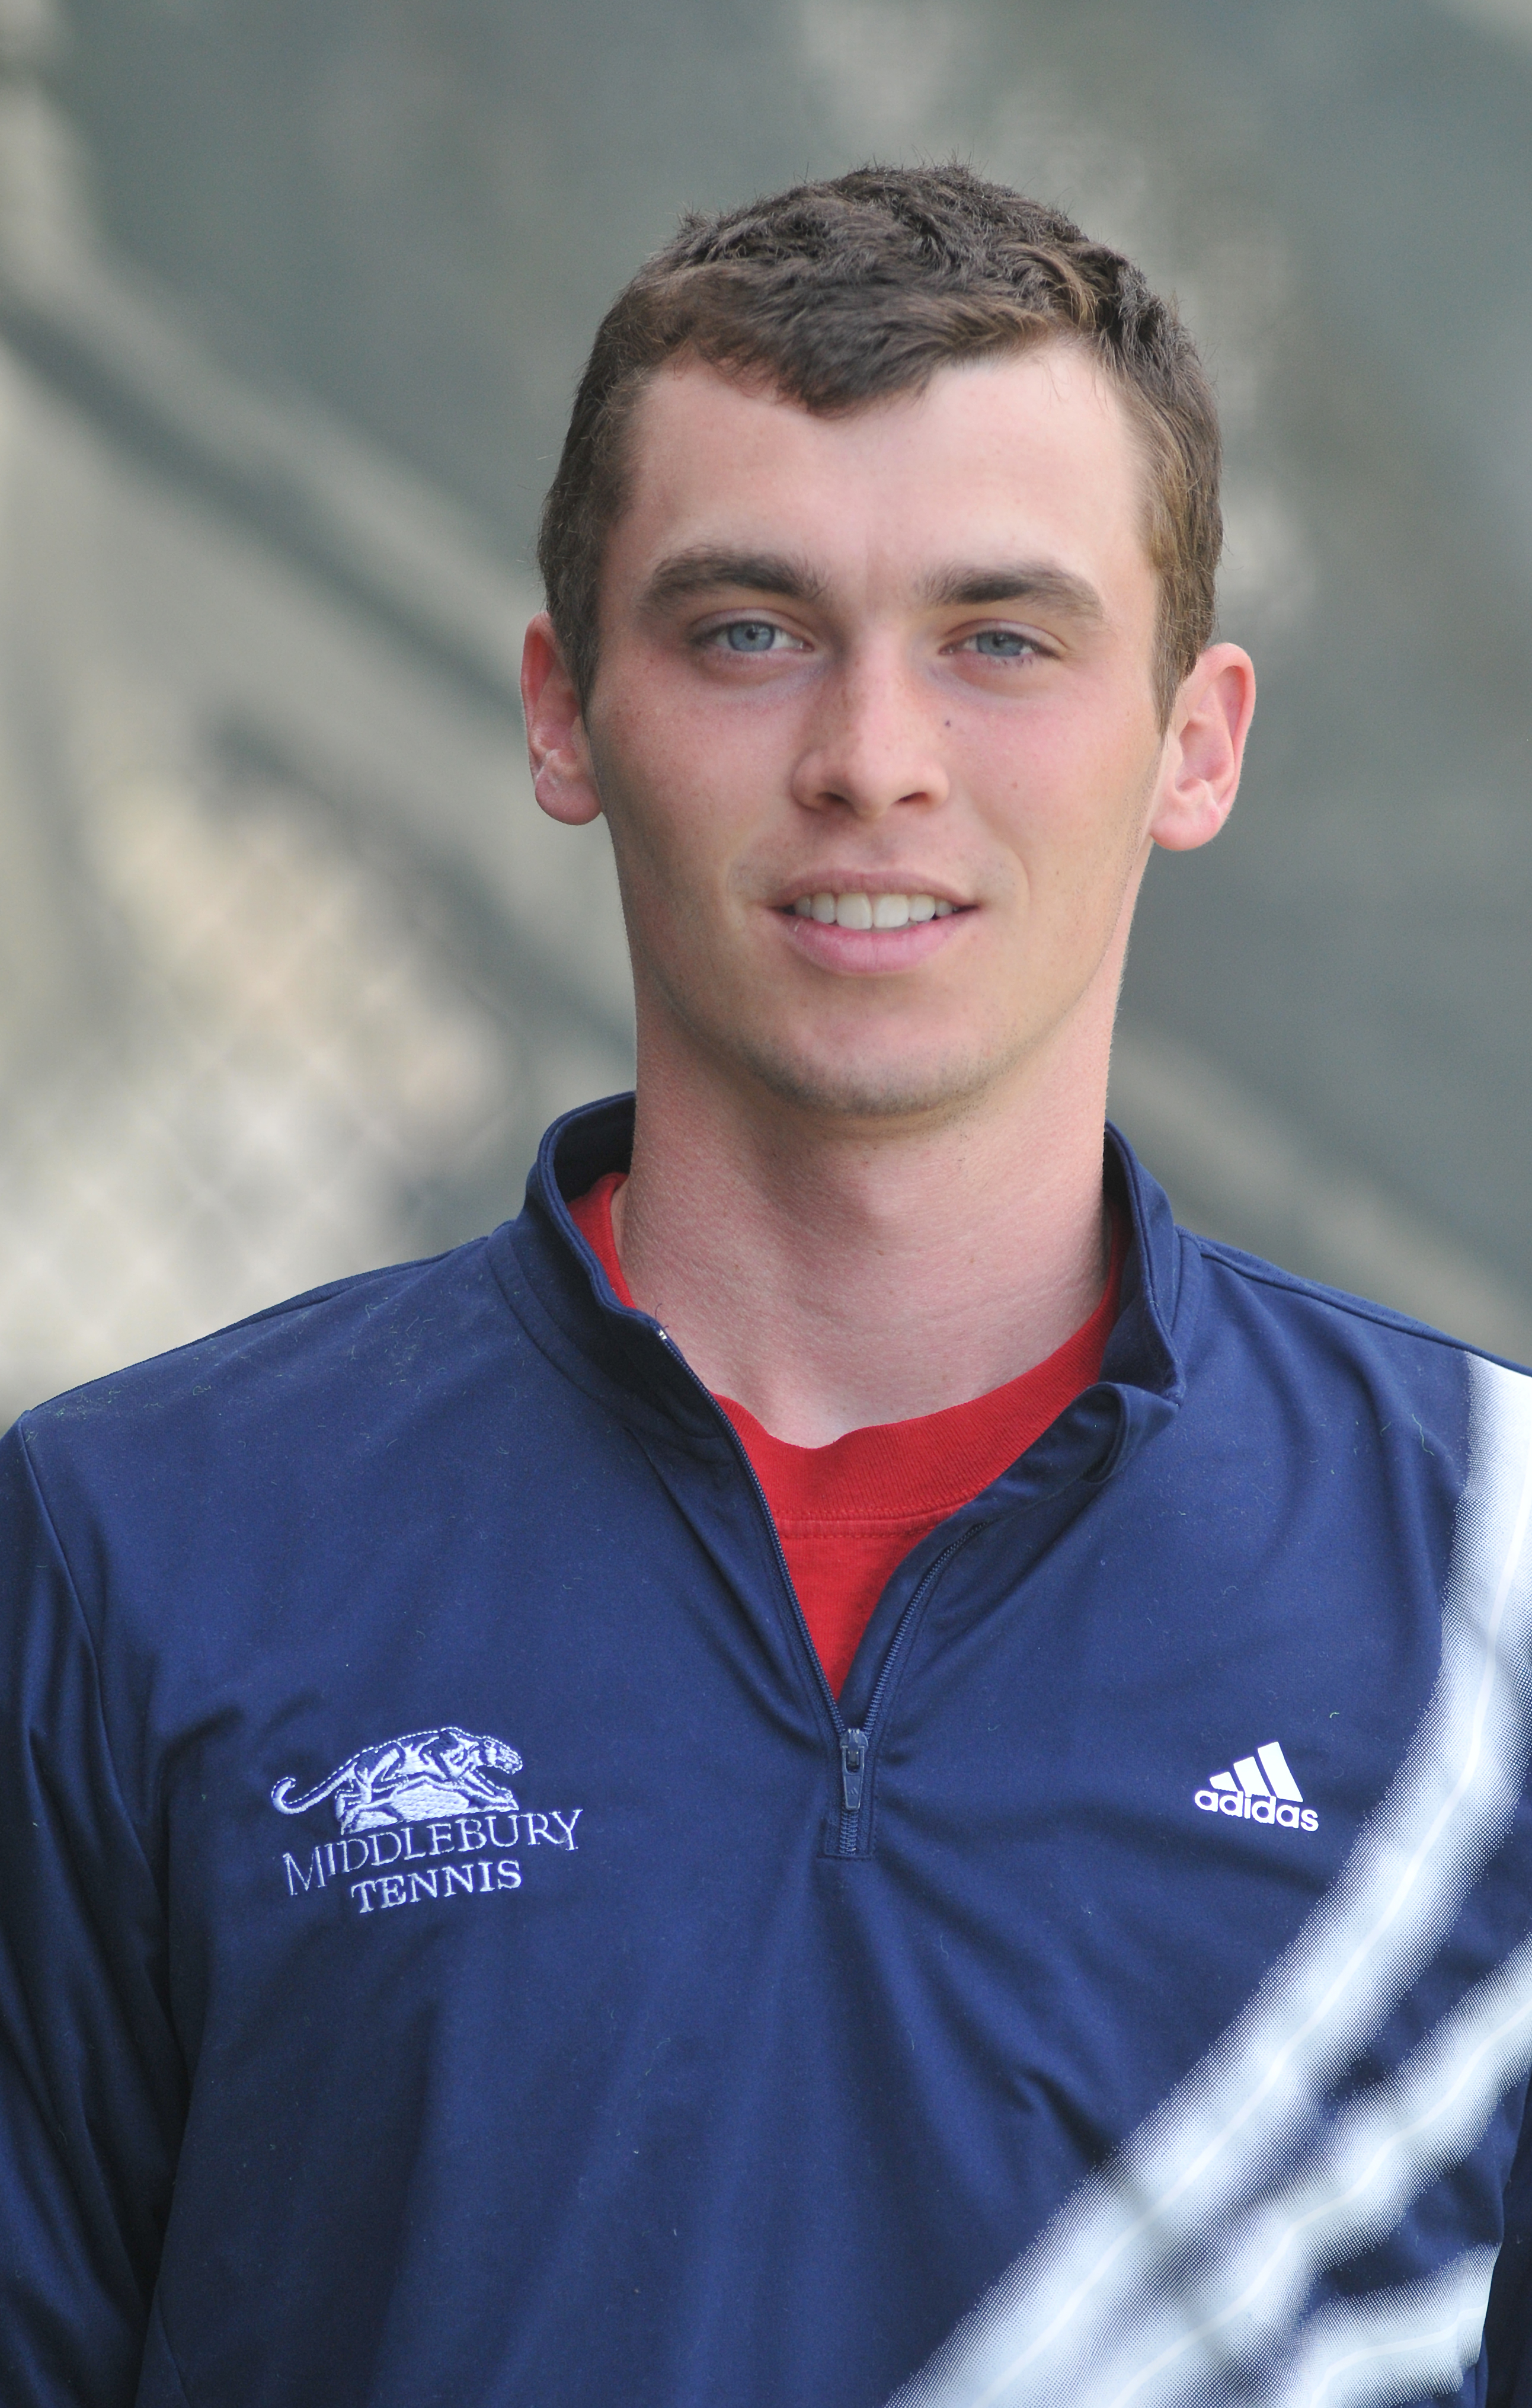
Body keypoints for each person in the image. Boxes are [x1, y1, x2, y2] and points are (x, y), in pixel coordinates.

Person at [2, 163, 1530, 2408]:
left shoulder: (1500, 1583)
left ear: (1195, 740)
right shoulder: (131, 1548)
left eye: (1000, 640)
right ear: (561, 713)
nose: (870, 762)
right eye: (747, 631)